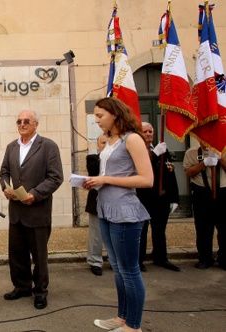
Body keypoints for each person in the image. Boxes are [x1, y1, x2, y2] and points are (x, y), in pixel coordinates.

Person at [83, 97, 153, 332]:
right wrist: (95, 182)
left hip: (125, 212)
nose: (97, 120)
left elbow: (146, 179)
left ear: (115, 113)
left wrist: (105, 179)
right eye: (95, 116)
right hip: (105, 209)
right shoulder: (110, 140)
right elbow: (109, 172)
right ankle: (122, 318)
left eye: (100, 115)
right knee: (117, 267)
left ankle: (134, 326)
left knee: (129, 270)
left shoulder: (132, 139)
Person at [0, 110, 63, 310]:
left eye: (27, 121)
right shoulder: (11, 147)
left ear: (36, 124)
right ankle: (22, 286)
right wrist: (5, 187)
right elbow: (4, 171)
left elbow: (55, 177)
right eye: (19, 121)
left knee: (39, 256)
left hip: (37, 211)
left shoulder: (48, 146)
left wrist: (34, 194)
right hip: (16, 212)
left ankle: (40, 292)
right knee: (17, 254)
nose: (22, 124)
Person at [137, 122, 180, 272]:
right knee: (141, 230)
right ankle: (138, 260)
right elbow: (139, 168)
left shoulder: (162, 150)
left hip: (160, 197)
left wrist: (174, 198)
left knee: (160, 229)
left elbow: (170, 172)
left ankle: (160, 257)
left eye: (151, 131)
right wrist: (154, 154)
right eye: (145, 131)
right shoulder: (137, 150)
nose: (149, 134)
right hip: (142, 196)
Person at [183, 143, 226, 270]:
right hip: (202, 193)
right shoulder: (191, 152)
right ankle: (205, 258)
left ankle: (224, 258)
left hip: (223, 193)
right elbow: (188, 172)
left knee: (224, 229)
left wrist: (220, 157)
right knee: (203, 229)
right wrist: (204, 163)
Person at [85, 133, 108, 276]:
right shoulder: (93, 159)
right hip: (97, 200)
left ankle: (114, 260)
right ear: (98, 145)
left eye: (108, 143)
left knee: (114, 233)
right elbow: (94, 172)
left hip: (114, 201)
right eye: (103, 143)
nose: (105, 145)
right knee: (96, 233)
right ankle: (95, 261)